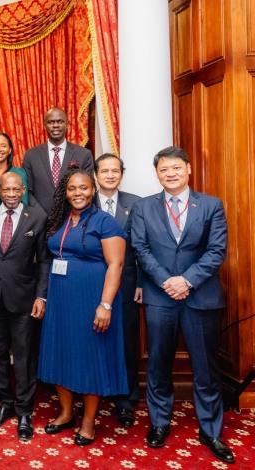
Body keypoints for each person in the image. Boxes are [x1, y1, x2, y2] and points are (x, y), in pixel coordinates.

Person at [130, 146, 234, 464]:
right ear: (157, 174)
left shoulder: (211, 205)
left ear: (188, 170)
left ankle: (211, 430)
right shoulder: (144, 207)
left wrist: (185, 281)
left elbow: (216, 250)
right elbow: (140, 247)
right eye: (164, 169)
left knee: (206, 368)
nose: (170, 173)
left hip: (200, 296)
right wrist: (166, 281)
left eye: (176, 168)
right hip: (160, 297)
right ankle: (160, 424)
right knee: (158, 365)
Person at [37, 168, 127, 447]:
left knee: (90, 357)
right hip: (61, 299)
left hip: (91, 299)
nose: (78, 193)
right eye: (72, 188)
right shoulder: (61, 220)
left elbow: (116, 264)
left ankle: (88, 422)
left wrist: (105, 305)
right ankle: (65, 413)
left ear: (93, 190)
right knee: (60, 353)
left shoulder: (105, 221)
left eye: (84, 188)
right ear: (65, 192)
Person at [0, 172, 49, 441]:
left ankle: (25, 410)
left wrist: (41, 296)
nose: (11, 194)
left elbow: (43, 261)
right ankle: (4, 402)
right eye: (6, 189)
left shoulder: (37, 218)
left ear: (24, 190)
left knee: (24, 355)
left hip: (24, 299)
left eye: (16, 189)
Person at [93, 153, 142, 427]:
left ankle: (126, 399)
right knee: (95, 340)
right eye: (105, 171)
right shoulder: (85, 202)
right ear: (96, 175)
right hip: (92, 284)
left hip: (126, 285)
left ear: (121, 174)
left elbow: (144, 247)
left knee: (126, 343)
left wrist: (141, 284)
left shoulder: (135, 204)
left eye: (115, 171)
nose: (110, 175)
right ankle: (94, 393)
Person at [22, 108, 94, 216]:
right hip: (40, 219)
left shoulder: (84, 154)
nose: (56, 125)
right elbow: (27, 190)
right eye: (51, 122)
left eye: (60, 121)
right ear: (44, 125)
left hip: (73, 218)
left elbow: (87, 189)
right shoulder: (31, 155)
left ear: (67, 124)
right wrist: (40, 214)